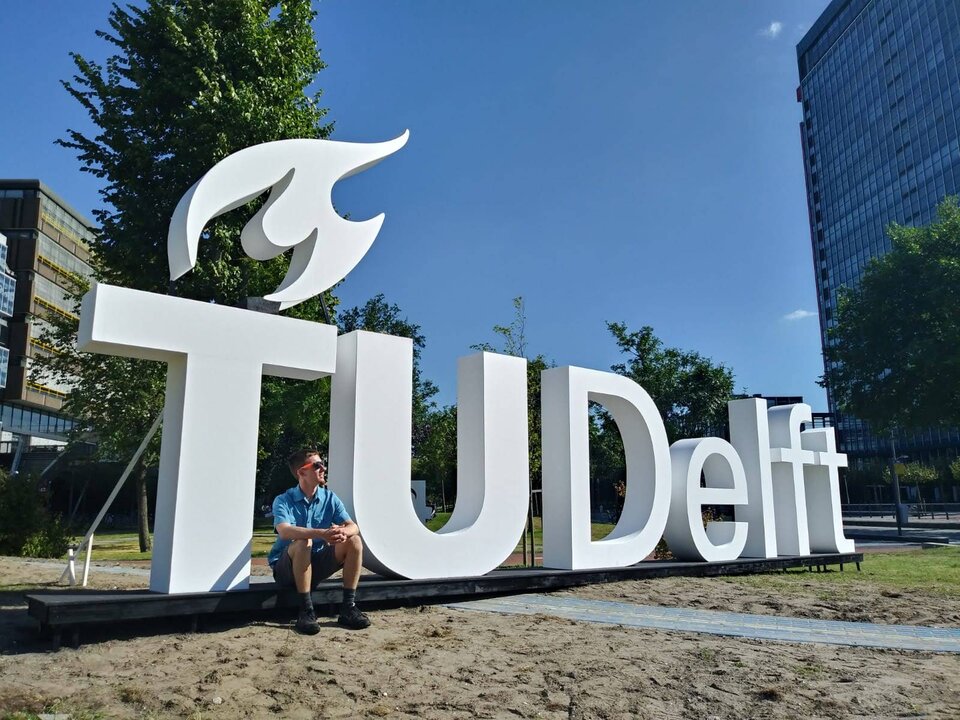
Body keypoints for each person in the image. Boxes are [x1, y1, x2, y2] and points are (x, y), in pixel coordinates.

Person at [268, 448, 371, 634]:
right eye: (317, 465)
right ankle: (306, 611)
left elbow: (353, 526)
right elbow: (284, 531)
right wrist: (321, 534)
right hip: (286, 570)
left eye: (323, 464)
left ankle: (348, 608)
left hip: (315, 565)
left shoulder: (330, 498)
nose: (323, 468)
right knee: (304, 541)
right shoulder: (283, 500)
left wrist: (343, 532)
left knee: (354, 541)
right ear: (302, 472)